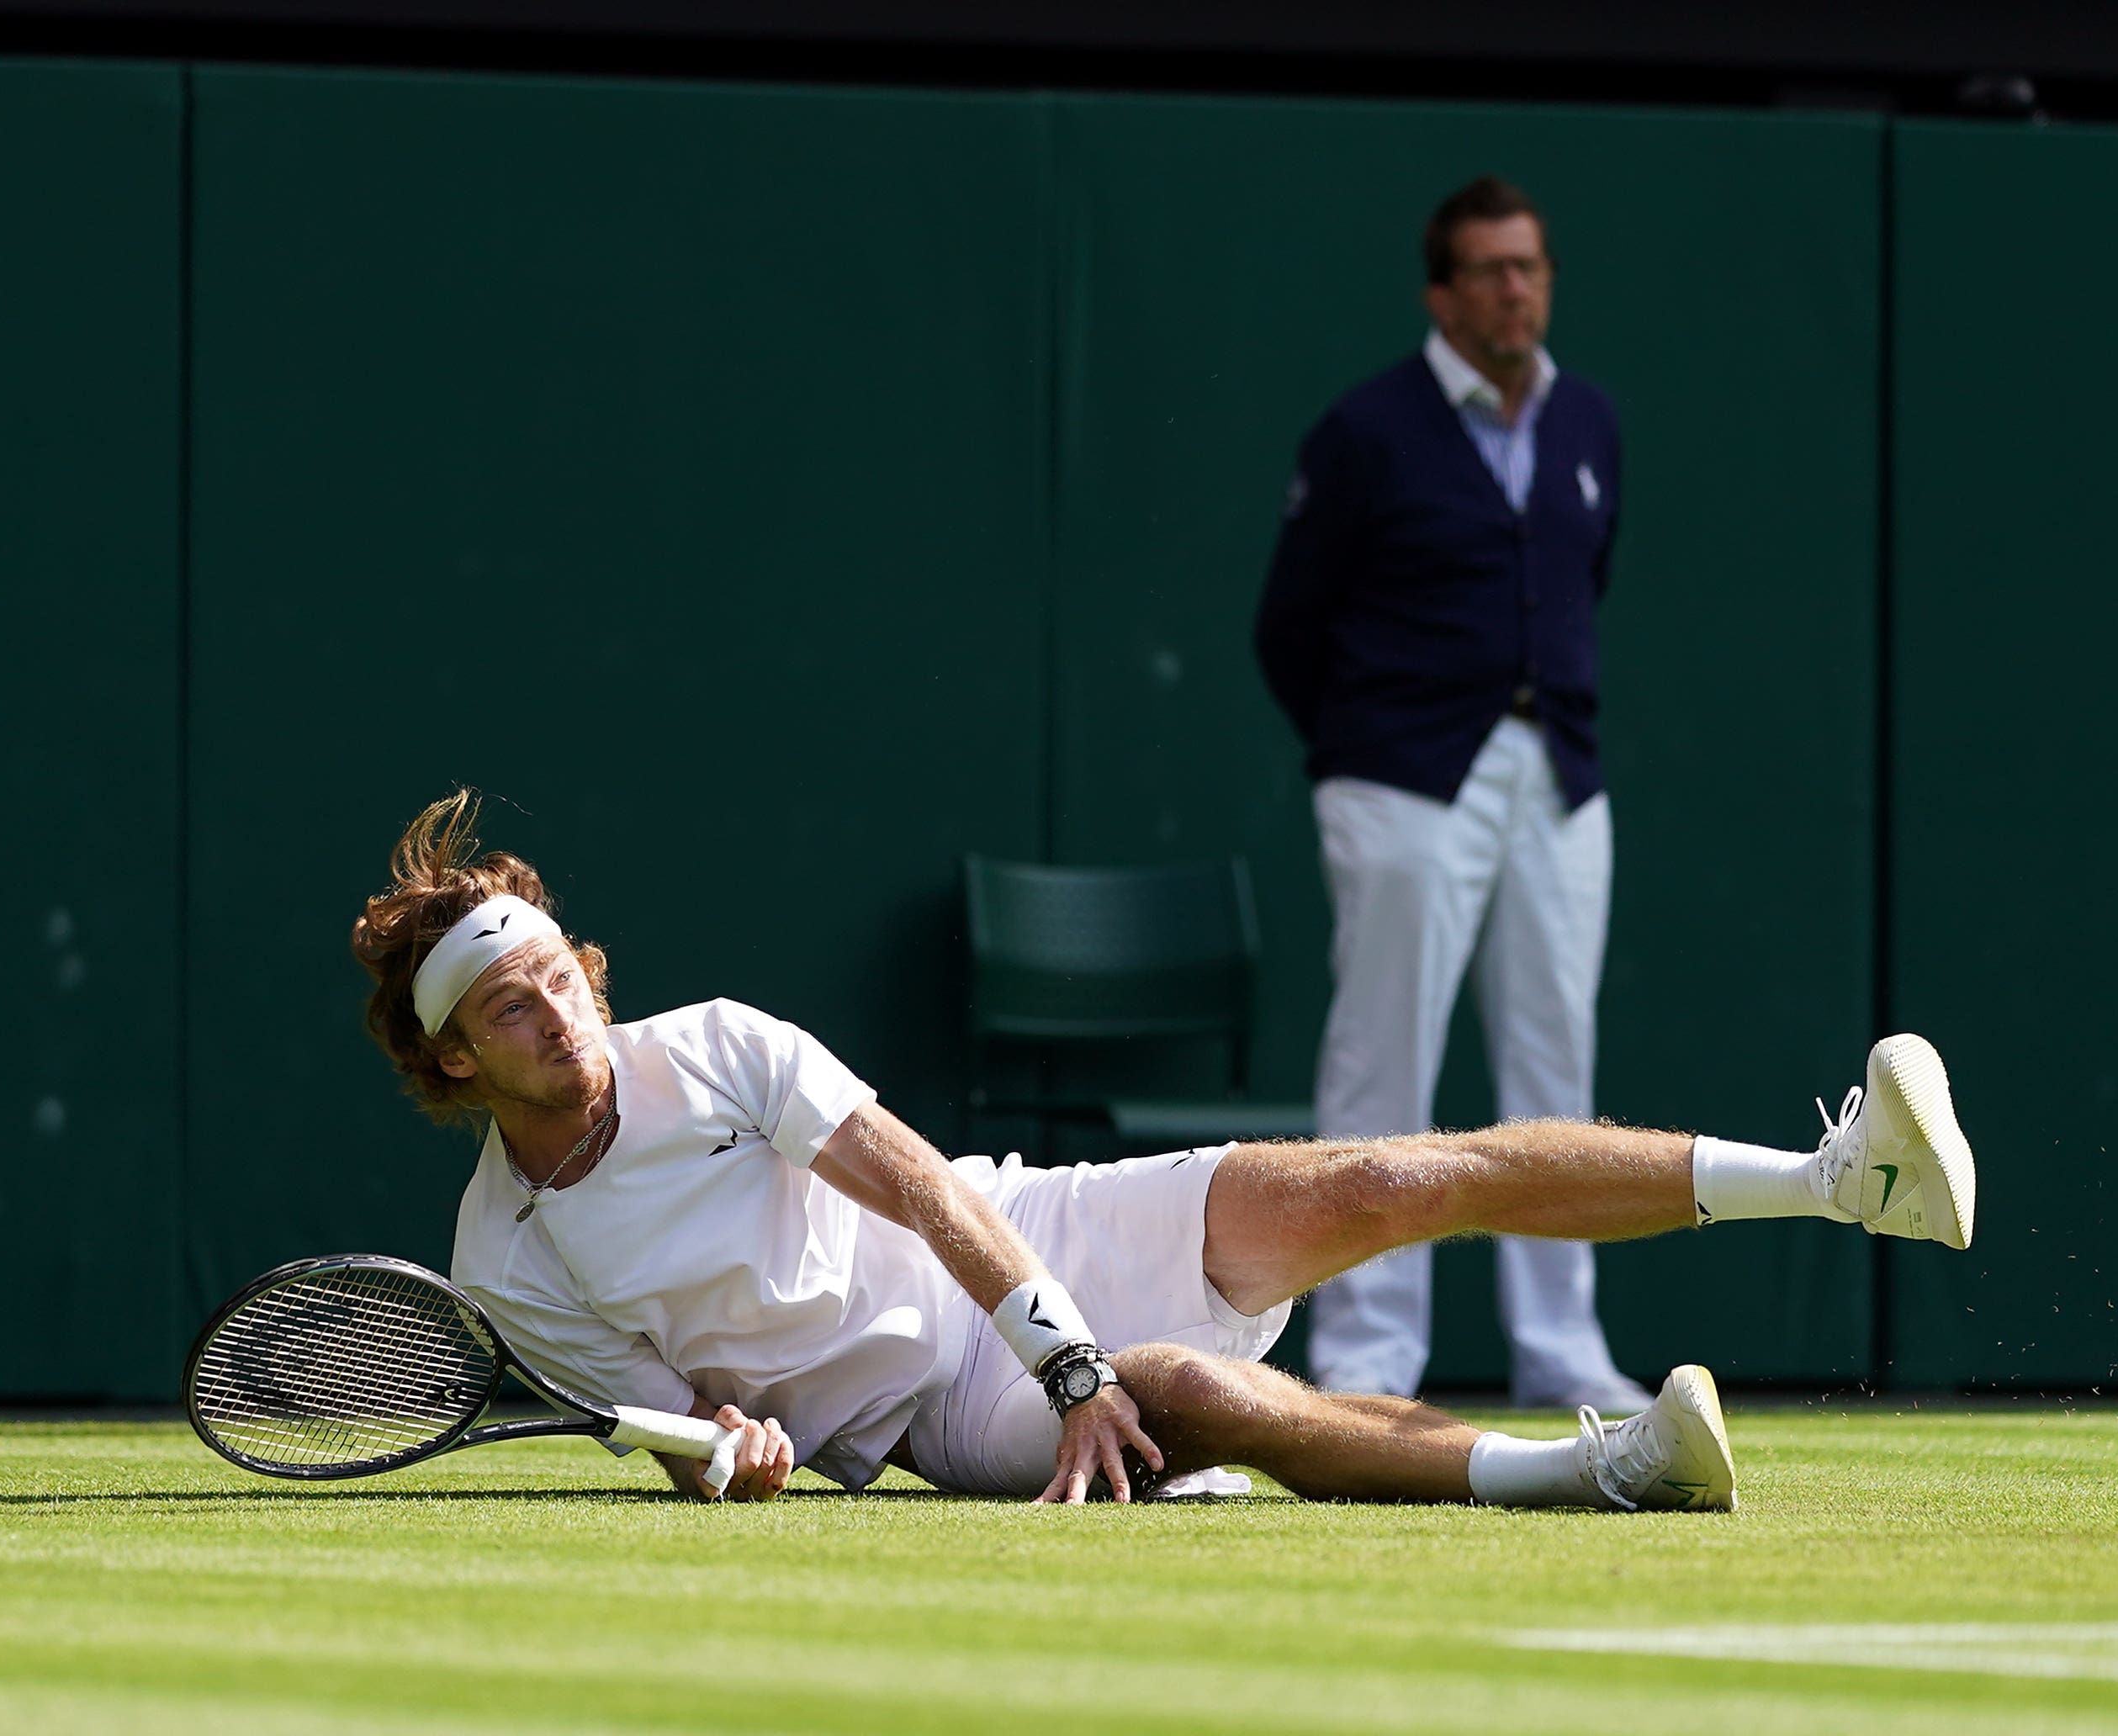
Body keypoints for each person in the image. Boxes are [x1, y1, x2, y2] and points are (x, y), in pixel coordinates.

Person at [351, 791, 1977, 1508]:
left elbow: (917, 1185)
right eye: (510, 1008)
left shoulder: (715, 1045)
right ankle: (1609, 1470)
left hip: (1014, 1235)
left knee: (1379, 1182)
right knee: (1188, 1398)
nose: (557, 1016)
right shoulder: (506, 1263)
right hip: (935, 1409)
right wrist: (731, 1455)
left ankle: (1842, 1181)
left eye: (558, 975)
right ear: (450, 1057)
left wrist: (1064, 1354)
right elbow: (682, 1416)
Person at [1254, 174, 1644, 1410]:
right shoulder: (1367, 430)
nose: (1514, 287)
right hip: (1402, 781)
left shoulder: (1589, 424)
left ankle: (1561, 1350)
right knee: (1384, 1075)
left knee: (1555, 1069)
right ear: (1442, 291)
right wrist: (1364, 755)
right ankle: (1368, 1357)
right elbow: (1289, 625)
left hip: (1559, 782)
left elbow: (1590, 582)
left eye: (1530, 265)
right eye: (1488, 268)